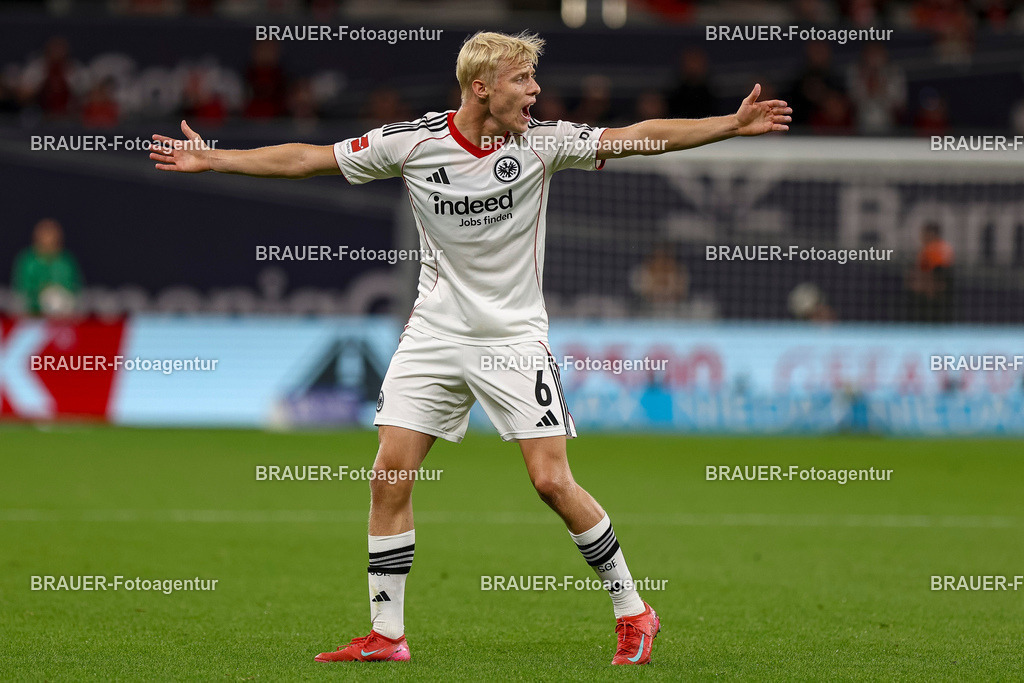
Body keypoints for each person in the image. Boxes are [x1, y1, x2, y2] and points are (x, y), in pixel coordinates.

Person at [148, 30, 791, 666]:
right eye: (522, 80)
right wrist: (217, 158)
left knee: (550, 481)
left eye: (534, 80)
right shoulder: (413, 143)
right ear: (481, 87)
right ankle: (386, 635)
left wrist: (728, 126)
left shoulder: (544, 144)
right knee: (389, 476)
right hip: (434, 333)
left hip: (513, 338)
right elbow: (309, 157)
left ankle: (634, 610)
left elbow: (638, 138)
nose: (536, 91)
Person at [12, 218, 82, 317]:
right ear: (36, 237)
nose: (48, 238)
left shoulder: (67, 260)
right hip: (32, 315)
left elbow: (75, 287)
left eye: (51, 233)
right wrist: (42, 296)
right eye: (44, 233)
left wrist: (60, 296)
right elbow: (21, 289)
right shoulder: (27, 261)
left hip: (64, 315)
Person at [906, 222, 954, 321]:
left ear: (933, 233)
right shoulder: (927, 250)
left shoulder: (936, 249)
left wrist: (926, 286)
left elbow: (938, 273)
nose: (922, 236)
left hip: (936, 295)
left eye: (925, 233)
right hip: (932, 294)